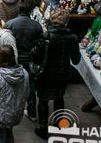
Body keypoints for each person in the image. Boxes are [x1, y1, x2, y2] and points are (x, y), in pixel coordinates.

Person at [34, 8, 81, 139]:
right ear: (66, 23)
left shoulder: (46, 36)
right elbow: (76, 60)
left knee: (43, 100)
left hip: (46, 73)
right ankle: (59, 124)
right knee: (59, 98)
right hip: (64, 73)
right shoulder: (73, 38)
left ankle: (43, 128)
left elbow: (36, 55)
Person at [5, 0, 42, 122]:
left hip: (13, 60)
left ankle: (10, 110)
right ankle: (32, 113)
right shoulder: (37, 26)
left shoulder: (10, 24)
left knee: (11, 85)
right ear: (31, 10)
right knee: (30, 88)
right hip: (30, 61)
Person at [0, 44, 29, 143]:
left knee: (1, 137)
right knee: (9, 133)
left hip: (1, 116)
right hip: (16, 113)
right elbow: (26, 93)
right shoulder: (24, 73)